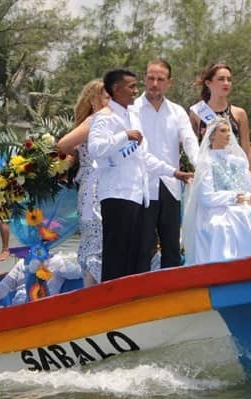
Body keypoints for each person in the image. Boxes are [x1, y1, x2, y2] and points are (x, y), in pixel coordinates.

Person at [88, 68, 193, 282]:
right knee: (116, 254)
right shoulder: (104, 117)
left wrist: (174, 172)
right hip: (116, 194)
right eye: (132, 86)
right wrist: (122, 136)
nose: (136, 91)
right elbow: (95, 149)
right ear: (117, 90)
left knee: (135, 255)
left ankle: (130, 303)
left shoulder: (132, 117)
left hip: (136, 195)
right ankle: (111, 300)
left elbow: (144, 157)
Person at [182, 117, 251, 265]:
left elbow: (248, 188)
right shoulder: (206, 163)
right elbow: (206, 197)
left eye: (229, 131)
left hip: (240, 206)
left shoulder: (237, 161)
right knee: (224, 224)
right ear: (212, 135)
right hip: (216, 209)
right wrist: (233, 197)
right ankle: (229, 264)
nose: (228, 134)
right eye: (223, 131)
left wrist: (249, 197)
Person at [133, 60, 200, 271]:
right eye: (151, 78)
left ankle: (171, 297)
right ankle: (139, 296)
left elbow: (189, 140)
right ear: (144, 78)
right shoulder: (132, 109)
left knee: (172, 246)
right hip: (141, 187)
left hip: (171, 186)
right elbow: (138, 151)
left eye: (160, 79)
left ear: (169, 82)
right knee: (142, 247)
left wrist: (200, 166)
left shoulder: (177, 111)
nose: (154, 83)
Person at [57, 79, 110, 286]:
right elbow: (63, 144)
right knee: (96, 238)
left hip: (108, 184)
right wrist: (81, 157)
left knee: (103, 239)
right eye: (107, 97)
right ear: (95, 100)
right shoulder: (94, 120)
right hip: (94, 186)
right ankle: (92, 290)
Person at [189, 62, 251, 179]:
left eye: (229, 79)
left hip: (235, 174)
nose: (226, 83)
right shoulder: (197, 112)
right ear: (208, 83)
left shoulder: (239, 113)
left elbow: (247, 149)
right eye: (221, 79)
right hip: (209, 174)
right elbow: (191, 146)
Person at [0, 253, 82, 306]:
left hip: (33, 310)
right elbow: (4, 286)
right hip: (25, 310)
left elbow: (4, 287)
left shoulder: (57, 262)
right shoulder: (22, 262)